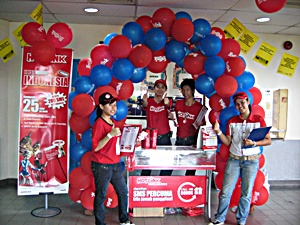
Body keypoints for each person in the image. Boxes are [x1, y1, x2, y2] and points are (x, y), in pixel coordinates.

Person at [209, 92, 271, 225]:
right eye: (237, 104)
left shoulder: (258, 120)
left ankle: (241, 220)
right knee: (226, 191)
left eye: (242, 102)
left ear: (248, 102)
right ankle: (219, 219)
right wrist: (218, 131)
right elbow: (227, 142)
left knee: (246, 193)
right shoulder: (232, 121)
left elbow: (268, 140)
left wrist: (254, 143)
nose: (240, 106)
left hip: (252, 160)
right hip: (234, 159)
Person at [91, 92, 135, 225]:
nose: (113, 108)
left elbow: (117, 144)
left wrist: (135, 140)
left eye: (114, 105)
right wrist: (110, 135)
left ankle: (124, 219)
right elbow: (96, 147)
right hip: (102, 165)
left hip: (115, 163)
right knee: (101, 195)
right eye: (110, 105)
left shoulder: (113, 122)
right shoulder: (99, 124)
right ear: (101, 106)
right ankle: (100, 223)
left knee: (123, 191)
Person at [173, 78, 206, 175]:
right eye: (182, 89)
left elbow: (203, 124)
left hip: (192, 141)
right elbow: (175, 120)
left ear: (193, 90)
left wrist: (202, 125)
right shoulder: (178, 104)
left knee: (191, 169)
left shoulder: (200, 107)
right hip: (179, 139)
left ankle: (187, 188)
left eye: (187, 89)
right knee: (172, 164)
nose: (184, 92)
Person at [141, 79, 172, 176]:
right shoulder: (149, 101)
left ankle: (163, 184)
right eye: (158, 87)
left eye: (162, 87)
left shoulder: (167, 101)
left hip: (164, 137)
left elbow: (168, 106)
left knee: (167, 164)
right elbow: (145, 105)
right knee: (147, 164)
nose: (160, 89)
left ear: (165, 90)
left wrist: (167, 103)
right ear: (154, 89)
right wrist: (144, 100)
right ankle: (144, 185)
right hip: (150, 137)